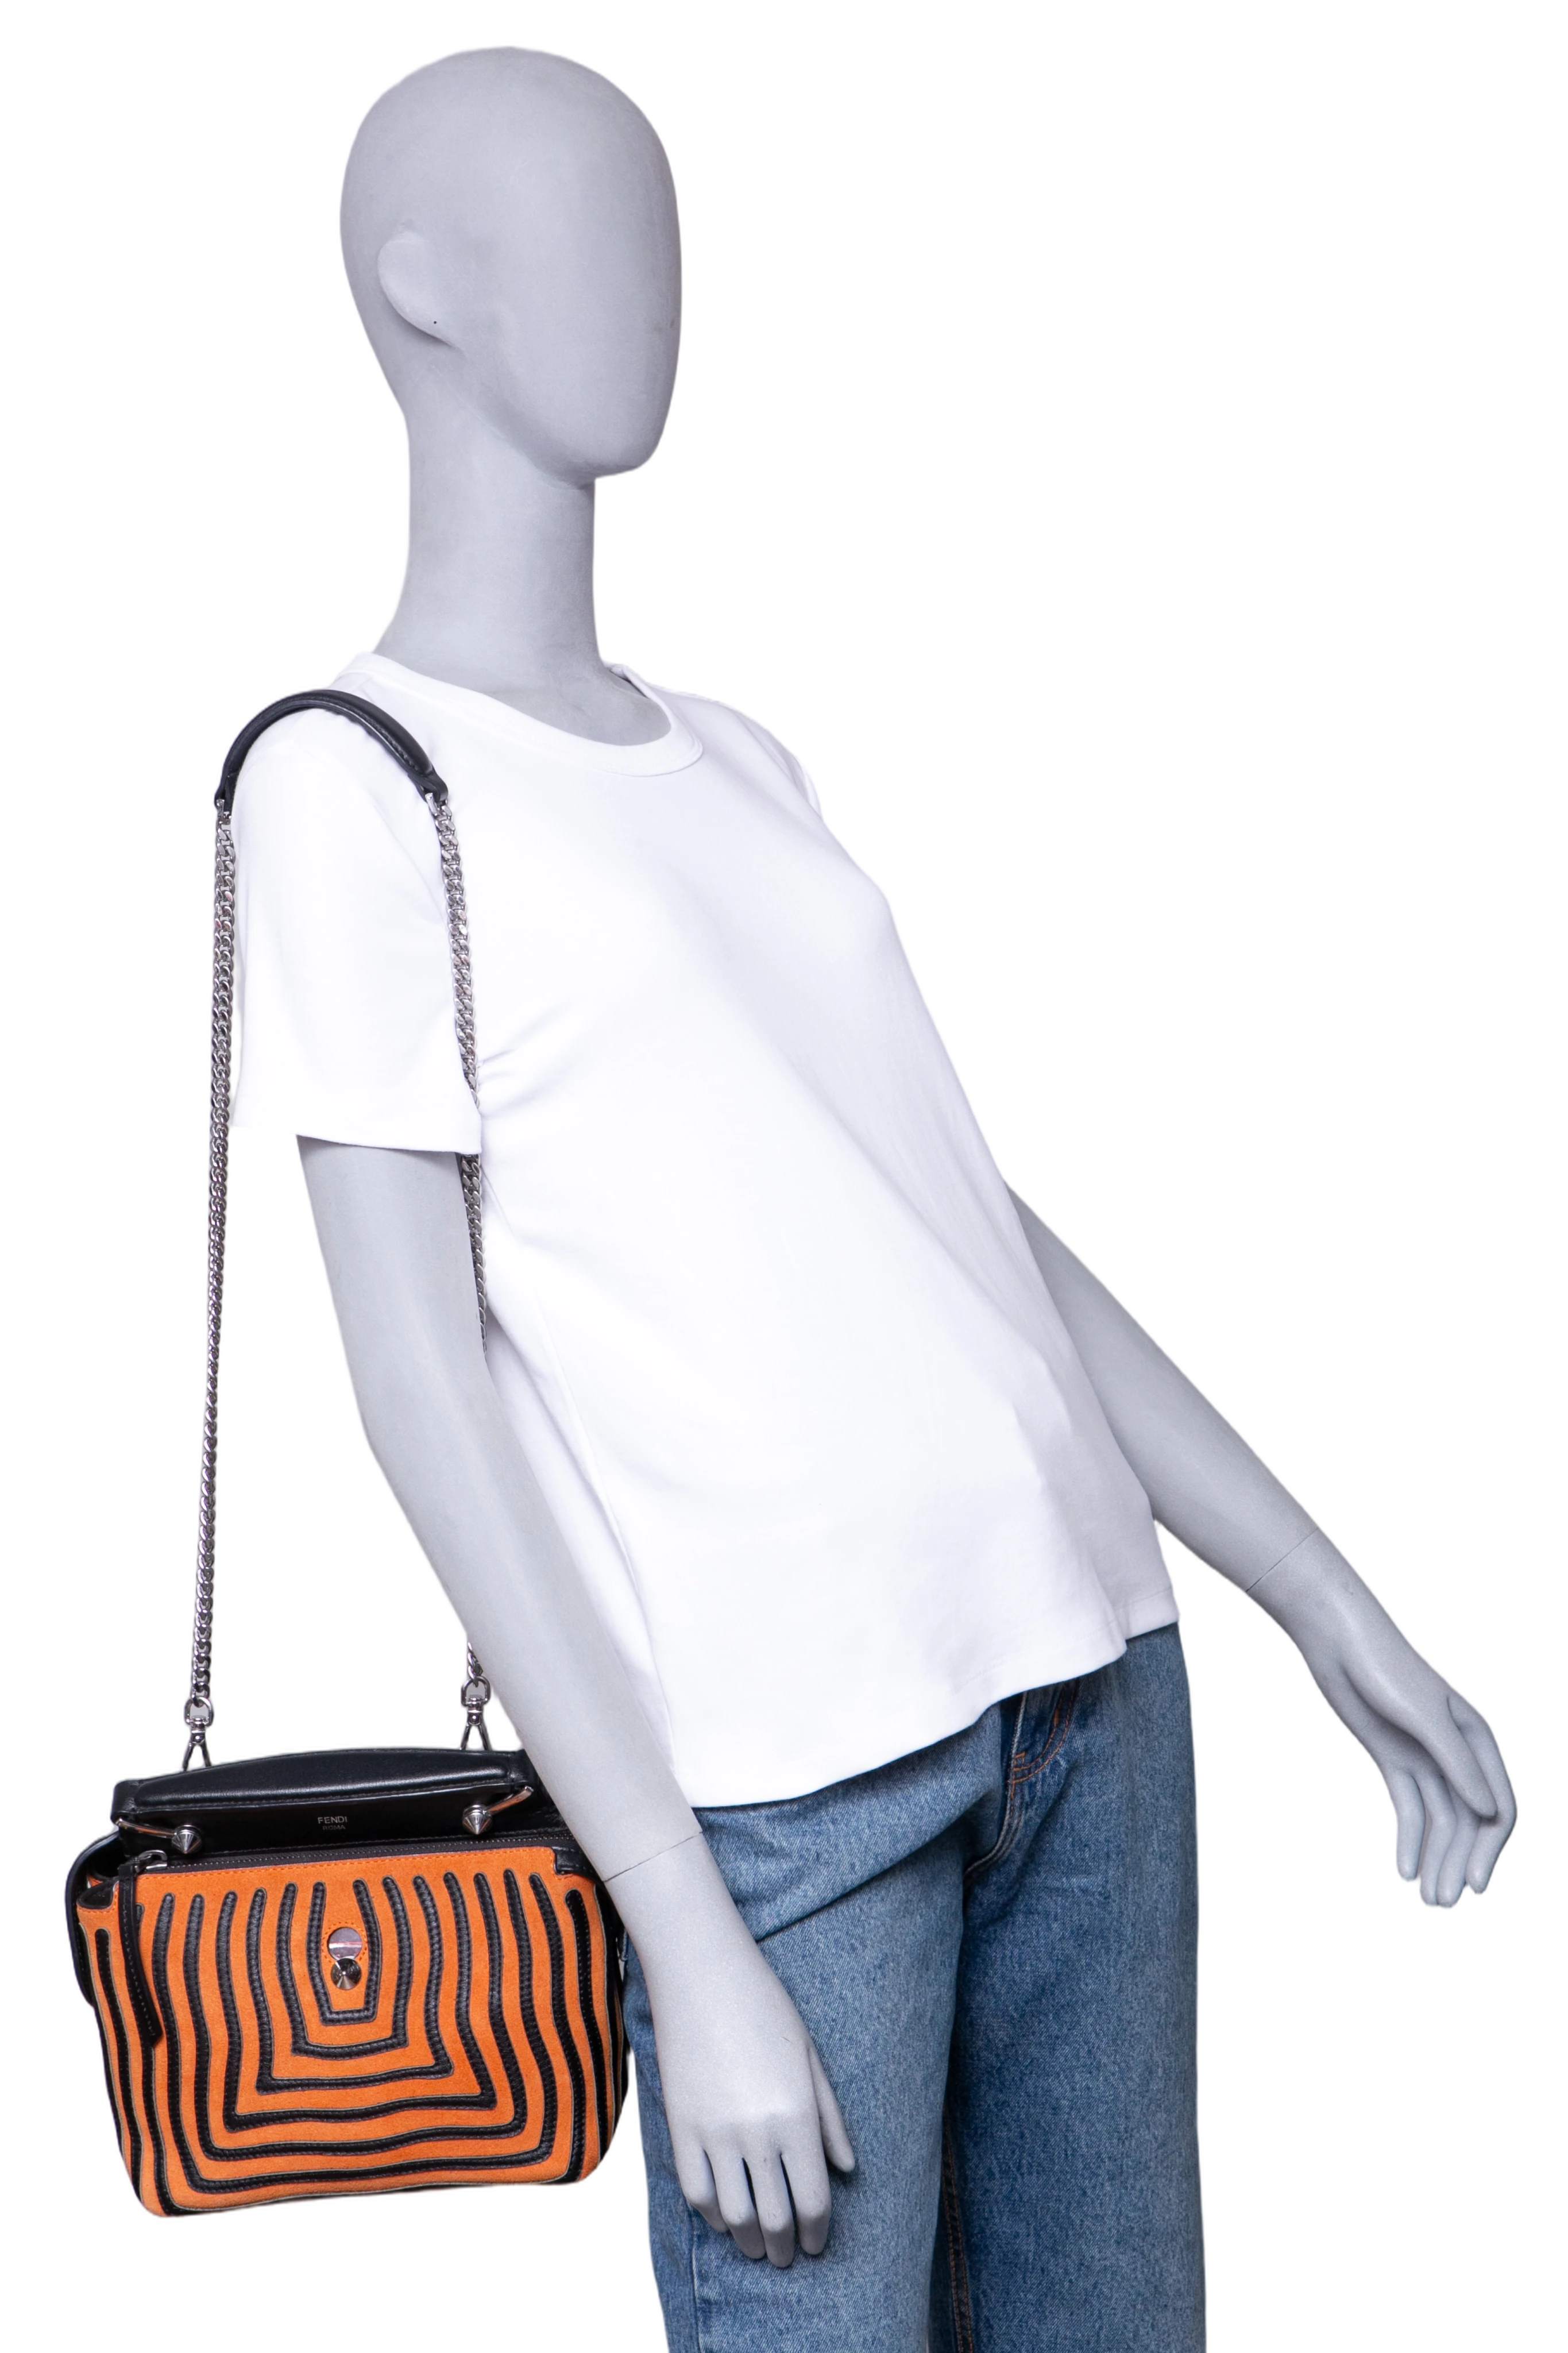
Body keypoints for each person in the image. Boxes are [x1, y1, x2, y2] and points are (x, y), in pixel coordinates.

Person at [226, 40, 1518, 2349]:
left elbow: (977, 1230)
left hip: (1090, 1680)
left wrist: (1320, 1593)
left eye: (676, 232)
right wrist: (680, 1923)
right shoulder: (354, 785)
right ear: (420, 284)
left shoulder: (739, 750)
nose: (667, 285)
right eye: (604, 227)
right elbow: (415, 1392)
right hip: (782, 1782)